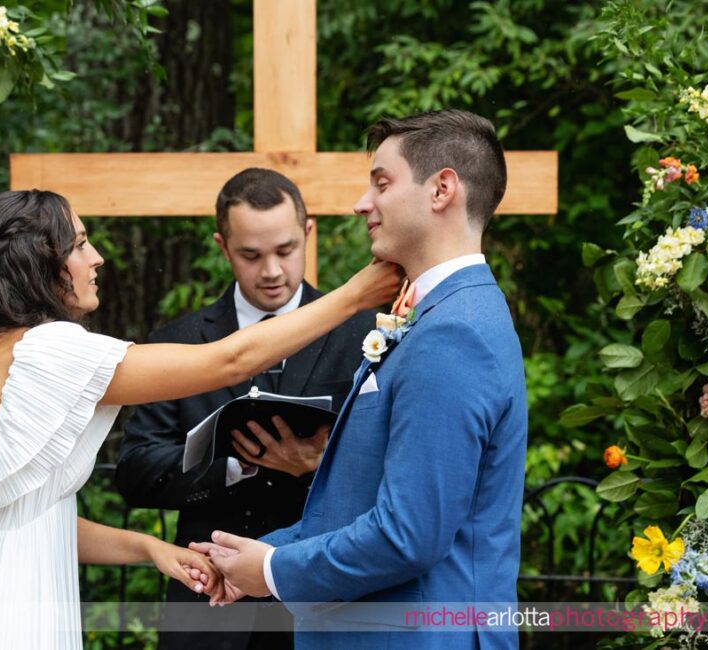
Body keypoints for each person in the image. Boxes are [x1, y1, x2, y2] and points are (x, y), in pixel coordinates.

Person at [0, 189, 399, 650]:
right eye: (80, 243)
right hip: (19, 612)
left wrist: (150, 550)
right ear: (43, 264)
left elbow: (23, 519)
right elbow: (231, 359)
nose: (97, 258)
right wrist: (353, 295)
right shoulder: (47, 350)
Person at [194, 110, 529, 650]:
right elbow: (352, 502)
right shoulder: (436, 315)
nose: (361, 204)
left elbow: (408, 535)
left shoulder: (455, 332)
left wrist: (276, 570)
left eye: (381, 182)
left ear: (442, 189)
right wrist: (246, 560)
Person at [115, 168, 373, 650]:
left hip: (320, 603)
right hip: (207, 608)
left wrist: (317, 466)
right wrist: (231, 466)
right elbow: (134, 472)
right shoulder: (179, 340)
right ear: (222, 246)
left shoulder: (359, 335)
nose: (272, 270)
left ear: (308, 233)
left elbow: (391, 476)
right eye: (251, 255)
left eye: (285, 250)